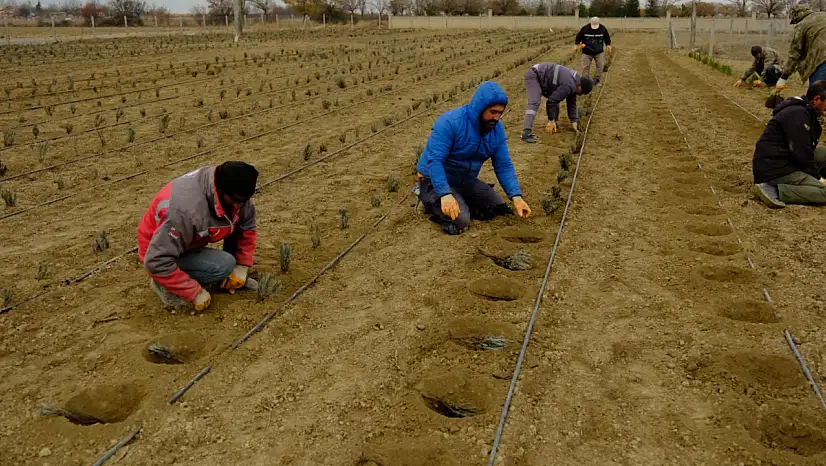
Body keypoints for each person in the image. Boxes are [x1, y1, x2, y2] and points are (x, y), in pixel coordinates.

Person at [138, 161, 260, 311]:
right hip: (158, 250)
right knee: (223, 265)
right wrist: (194, 292)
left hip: (184, 243)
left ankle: (227, 277)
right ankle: (163, 283)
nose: (239, 206)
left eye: (243, 201)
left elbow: (246, 226)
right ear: (222, 190)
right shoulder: (184, 211)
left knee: (228, 264)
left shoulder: (233, 191)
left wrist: (241, 266)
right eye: (236, 201)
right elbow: (156, 260)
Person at [416, 81, 532, 235]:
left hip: (464, 179)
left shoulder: (496, 130)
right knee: (461, 221)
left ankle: (458, 198)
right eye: (492, 112)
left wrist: (516, 196)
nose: (497, 117)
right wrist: (444, 194)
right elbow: (435, 161)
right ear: (480, 108)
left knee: (495, 207)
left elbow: (503, 165)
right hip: (434, 178)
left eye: (500, 112)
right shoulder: (450, 123)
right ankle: (428, 199)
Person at [753, 81, 826, 208]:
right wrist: (819, 179)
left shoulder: (807, 112)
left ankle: (810, 181)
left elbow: (805, 150)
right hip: (775, 169)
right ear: (816, 100)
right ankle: (773, 189)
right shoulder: (798, 114)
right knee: (823, 192)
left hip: (786, 159)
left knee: (823, 153)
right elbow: (801, 152)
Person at [520, 62, 593, 144]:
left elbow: (571, 103)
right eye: (581, 92)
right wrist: (551, 120)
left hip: (545, 79)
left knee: (557, 98)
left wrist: (574, 121)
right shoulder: (569, 85)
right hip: (535, 75)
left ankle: (555, 124)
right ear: (580, 86)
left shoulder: (575, 81)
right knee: (534, 102)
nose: (579, 95)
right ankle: (526, 133)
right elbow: (551, 102)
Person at [776, 4, 826, 89]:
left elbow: (794, 54)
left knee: (816, 93)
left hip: (822, 60)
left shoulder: (802, 25)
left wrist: (783, 77)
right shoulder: (824, 15)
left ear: (796, 15)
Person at [575, 17, 612, 87]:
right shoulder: (585, 28)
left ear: (599, 23)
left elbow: (607, 37)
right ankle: (585, 82)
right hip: (587, 51)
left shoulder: (602, 28)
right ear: (590, 23)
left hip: (599, 52)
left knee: (600, 66)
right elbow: (578, 37)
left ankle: (596, 81)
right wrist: (576, 44)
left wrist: (608, 45)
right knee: (585, 67)